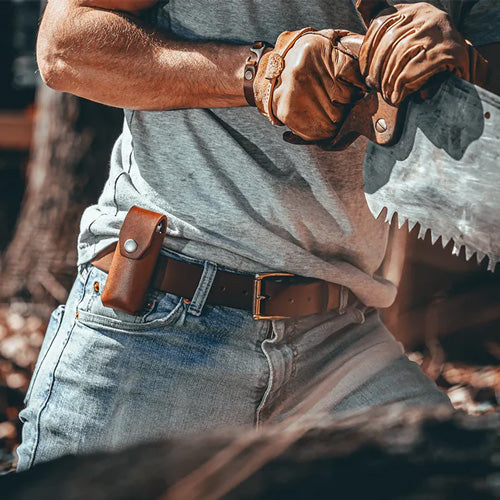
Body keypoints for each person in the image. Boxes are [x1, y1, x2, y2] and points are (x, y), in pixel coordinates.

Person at [16, 0, 499, 471]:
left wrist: (465, 58)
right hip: (164, 318)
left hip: (340, 336)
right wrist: (259, 73)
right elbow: (65, 44)